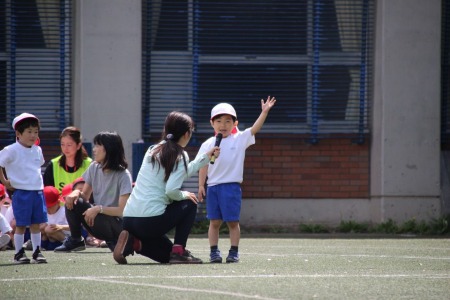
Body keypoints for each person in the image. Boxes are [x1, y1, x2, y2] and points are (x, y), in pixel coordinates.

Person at [113, 111, 219, 264]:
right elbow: (171, 191)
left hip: (129, 220)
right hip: (150, 221)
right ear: (186, 133)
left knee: (166, 256)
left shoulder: (152, 150)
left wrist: (205, 158)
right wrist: (185, 195)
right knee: (190, 202)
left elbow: (179, 173)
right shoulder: (179, 154)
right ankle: (179, 250)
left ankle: (134, 242)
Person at [196, 96, 276, 263]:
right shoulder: (208, 144)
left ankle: (233, 252)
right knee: (214, 222)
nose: (223, 125)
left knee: (232, 221)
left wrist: (264, 112)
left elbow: (254, 129)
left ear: (235, 123)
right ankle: (213, 252)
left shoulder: (239, 139)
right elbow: (203, 165)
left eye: (227, 121)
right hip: (213, 187)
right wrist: (201, 185)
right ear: (212, 124)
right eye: (218, 121)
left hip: (231, 187)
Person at [54, 131, 133, 252]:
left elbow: (121, 210)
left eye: (97, 146)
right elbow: (84, 197)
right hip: (99, 220)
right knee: (75, 201)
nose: (94, 149)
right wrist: (75, 193)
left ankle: (115, 241)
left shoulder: (123, 175)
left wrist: (98, 208)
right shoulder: (94, 167)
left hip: (117, 225)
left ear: (108, 149)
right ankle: (76, 240)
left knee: (95, 210)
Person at [0, 112, 47, 264]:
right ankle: (19, 254)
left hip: (37, 192)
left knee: (36, 224)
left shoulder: (37, 150)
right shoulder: (10, 150)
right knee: (20, 224)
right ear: (18, 133)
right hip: (21, 193)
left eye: (36, 132)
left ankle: (36, 252)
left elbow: (37, 166)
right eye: (29, 132)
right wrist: (5, 181)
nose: (33, 135)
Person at [43, 126, 92, 192]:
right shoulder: (53, 165)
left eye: (69, 145)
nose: (65, 148)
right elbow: (47, 192)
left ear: (78, 146)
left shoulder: (90, 165)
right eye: (62, 144)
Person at [41, 186, 70, 250]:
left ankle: (69, 244)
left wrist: (61, 227)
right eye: (46, 207)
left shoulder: (64, 211)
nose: (48, 209)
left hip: (66, 237)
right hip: (51, 239)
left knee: (49, 229)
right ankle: (42, 245)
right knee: (42, 227)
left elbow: (75, 227)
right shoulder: (43, 211)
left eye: (50, 207)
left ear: (58, 202)